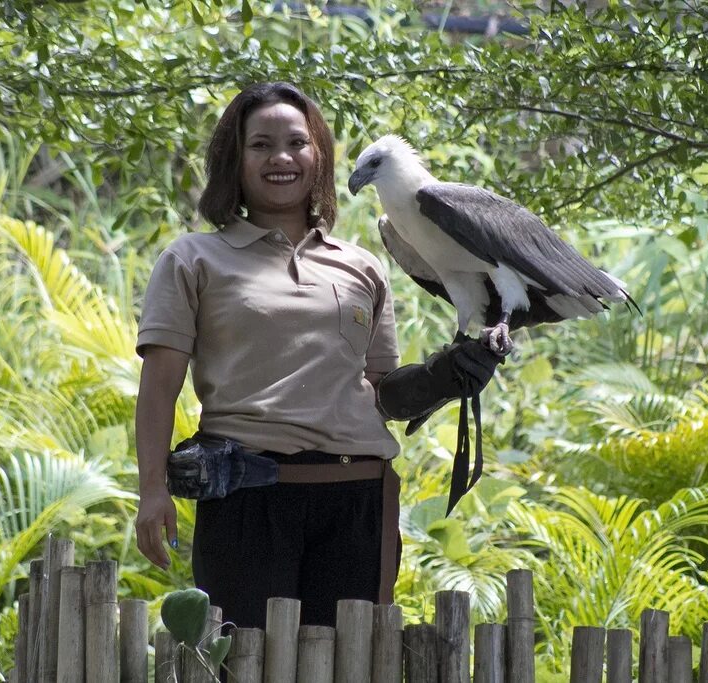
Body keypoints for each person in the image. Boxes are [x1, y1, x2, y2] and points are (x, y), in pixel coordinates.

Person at [133, 81, 501, 630]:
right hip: (245, 502)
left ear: (319, 157)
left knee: (347, 665)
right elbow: (159, 385)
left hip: (354, 501)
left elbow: (381, 393)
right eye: (260, 145)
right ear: (235, 159)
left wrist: (442, 378)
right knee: (247, 665)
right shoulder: (193, 259)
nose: (280, 158)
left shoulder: (362, 267)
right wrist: (151, 490)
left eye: (297, 143)